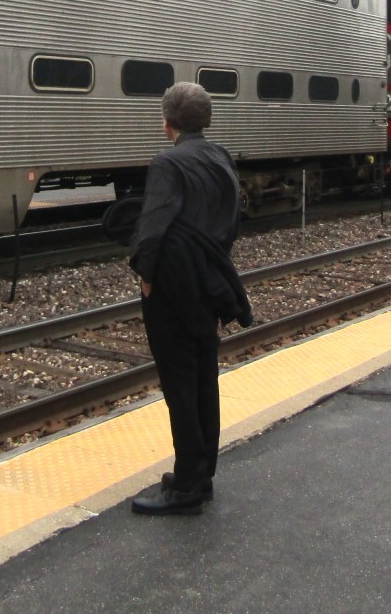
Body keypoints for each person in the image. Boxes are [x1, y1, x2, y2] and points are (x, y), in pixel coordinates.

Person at [127, 81, 251, 516]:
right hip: (211, 280)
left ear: (167, 122)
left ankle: (186, 489)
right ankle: (200, 472)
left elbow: (154, 224)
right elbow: (233, 217)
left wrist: (146, 277)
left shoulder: (167, 162)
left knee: (178, 383)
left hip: (174, 284)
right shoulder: (220, 157)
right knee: (202, 375)